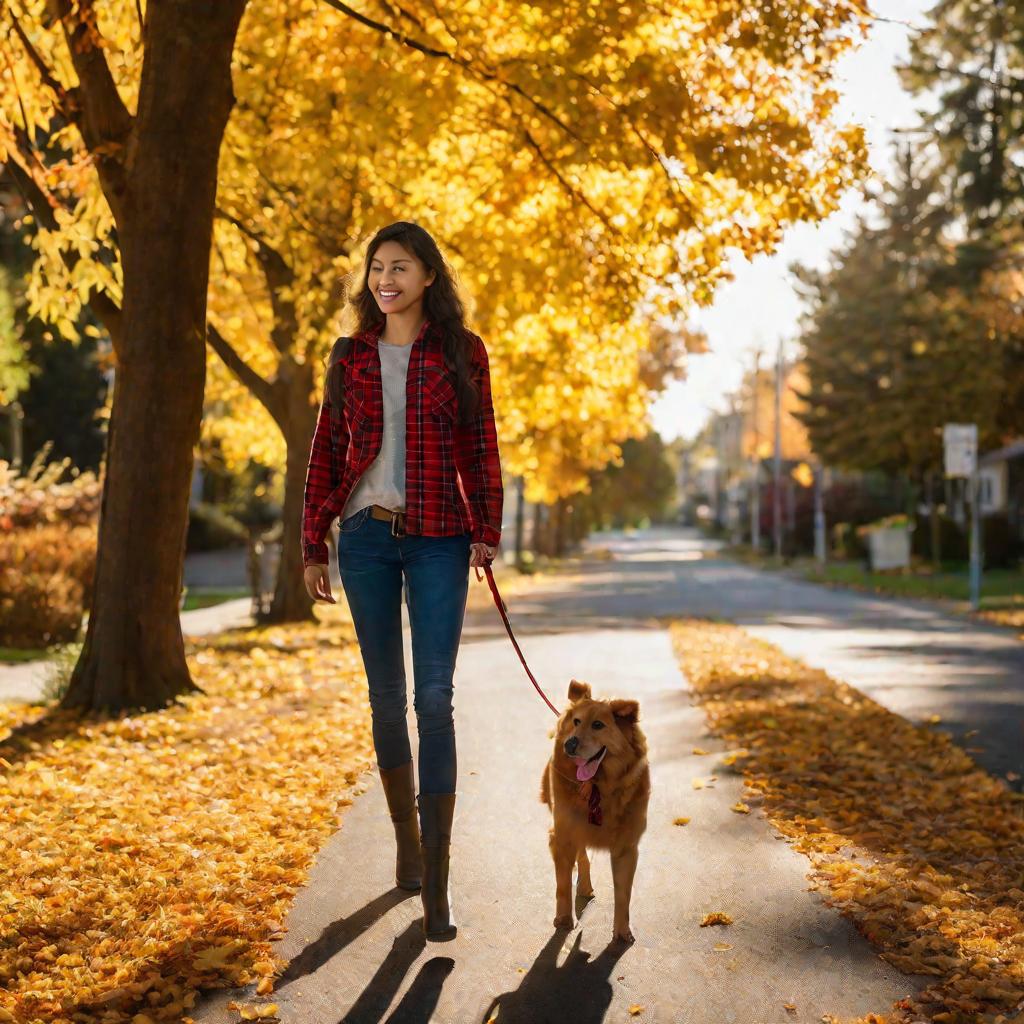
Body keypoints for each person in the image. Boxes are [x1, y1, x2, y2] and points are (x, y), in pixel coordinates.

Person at [300, 221, 503, 941]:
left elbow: (480, 445)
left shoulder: (460, 353)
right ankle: (408, 847)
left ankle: (438, 886)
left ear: (427, 278)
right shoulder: (349, 355)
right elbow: (327, 449)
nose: (386, 279)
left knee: (435, 698)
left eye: (401, 267)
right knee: (387, 702)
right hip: (363, 539)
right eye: (377, 268)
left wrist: (486, 527)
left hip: (440, 538)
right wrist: (312, 546)